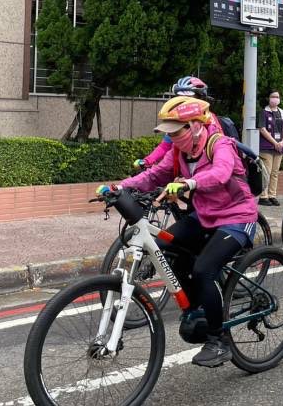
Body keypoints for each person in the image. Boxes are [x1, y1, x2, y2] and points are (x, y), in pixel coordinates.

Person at [103, 96, 257, 368]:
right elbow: (153, 175)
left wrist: (190, 182)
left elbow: (221, 173)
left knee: (204, 270)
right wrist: (119, 187)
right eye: (169, 133)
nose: (172, 138)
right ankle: (197, 309)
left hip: (236, 217)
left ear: (196, 126)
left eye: (176, 131)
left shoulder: (219, 144)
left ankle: (218, 339)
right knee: (167, 247)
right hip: (205, 216)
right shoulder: (179, 151)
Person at [134, 76, 223, 170]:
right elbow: (165, 146)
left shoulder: (210, 118)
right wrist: (147, 161)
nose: (184, 103)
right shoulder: (177, 120)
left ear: (200, 99)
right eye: (180, 99)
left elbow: (219, 149)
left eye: (189, 99)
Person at [258, 90, 283, 206]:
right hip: (266, 147)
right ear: (268, 98)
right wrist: (274, 142)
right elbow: (262, 129)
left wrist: (282, 141)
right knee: (266, 171)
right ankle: (263, 196)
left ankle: (272, 195)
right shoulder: (263, 112)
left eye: (277, 96)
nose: (275, 99)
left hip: (279, 146)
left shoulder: (282, 113)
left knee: (275, 172)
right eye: (273, 96)